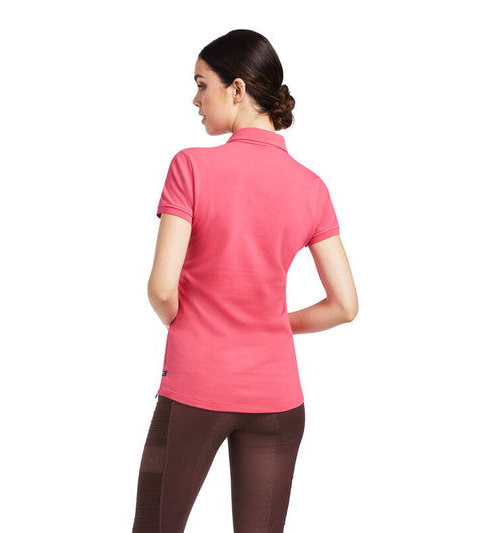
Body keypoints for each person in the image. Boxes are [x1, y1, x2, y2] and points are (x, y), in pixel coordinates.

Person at [131, 29, 358, 533]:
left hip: (195, 389)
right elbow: (344, 305)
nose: (195, 100)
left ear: (237, 89)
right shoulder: (312, 187)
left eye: (201, 84)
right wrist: (271, 324)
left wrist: (193, 325)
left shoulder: (191, 166)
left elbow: (161, 289)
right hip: (278, 401)